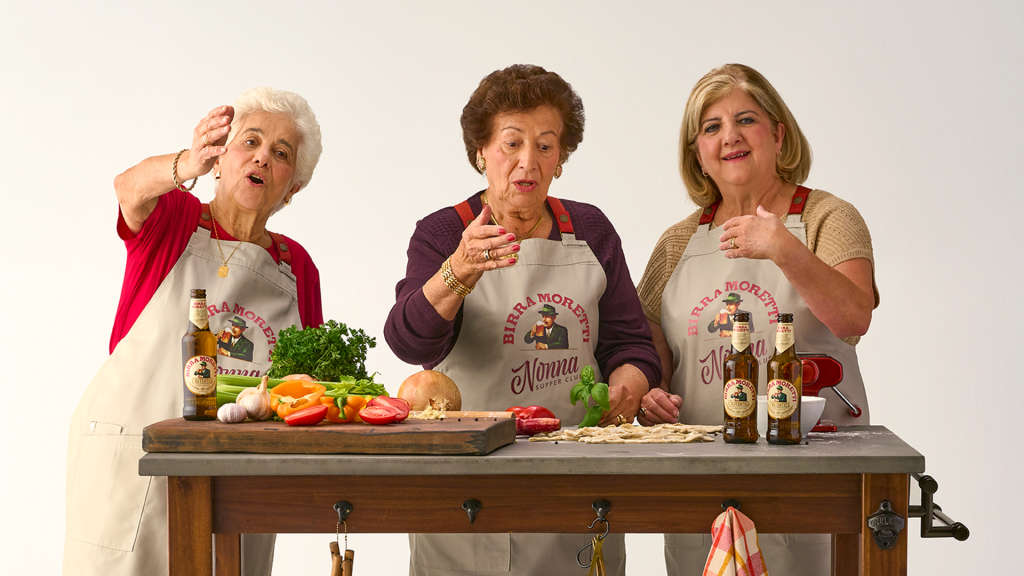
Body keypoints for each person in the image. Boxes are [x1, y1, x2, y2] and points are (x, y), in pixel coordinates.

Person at [385, 64, 661, 576]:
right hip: (465, 483)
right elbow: (410, 343)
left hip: (574, 480)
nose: (527, 162)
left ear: (561, 158)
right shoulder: (443, 233)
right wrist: (458, 270)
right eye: (511, 143)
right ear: (481, 152)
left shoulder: (592, 230)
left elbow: (631, 343)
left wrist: (629, 384)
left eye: (545, 145)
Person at [64, 87, 325, 576]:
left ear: (293, 188)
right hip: (134, 461)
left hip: (237, 480)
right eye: (250, 141)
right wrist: (186, 164)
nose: (262, 158)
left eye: (281, 153)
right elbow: (128, 189)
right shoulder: (176, 218)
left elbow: (304, 390)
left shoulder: (298, 268)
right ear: (220, 159)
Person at [635, 64, 879, 575]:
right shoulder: (677, 242)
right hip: (704, 479)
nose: (730, 136)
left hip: (813, 475)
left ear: (778, 134)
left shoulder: (827, 217)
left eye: (746, 119)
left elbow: (854, 317)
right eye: (712, 127)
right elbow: (651, 353)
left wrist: (784, 248)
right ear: (697, 154)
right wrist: (652, 395)